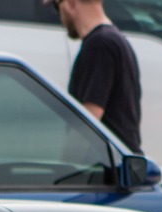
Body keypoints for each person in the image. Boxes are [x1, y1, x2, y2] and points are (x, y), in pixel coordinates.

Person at [45, 0, 141, 152]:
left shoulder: (99, 45)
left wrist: (68, 165)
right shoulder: (114, 40)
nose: (60, 17)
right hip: (122, 164)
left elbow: (88, 120)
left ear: (70, 3)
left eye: (57, 7)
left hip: (109, 168)